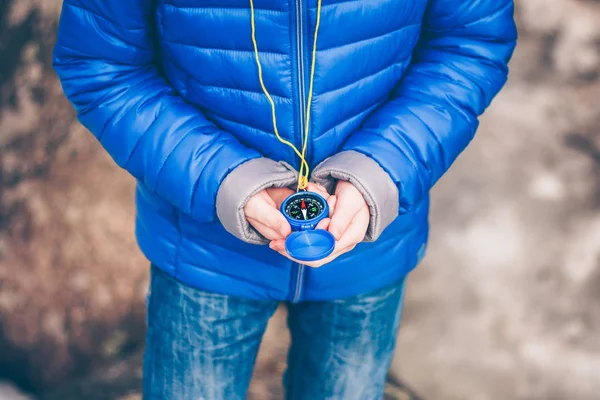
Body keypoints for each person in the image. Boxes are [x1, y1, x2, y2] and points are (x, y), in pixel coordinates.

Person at [53, 0, 517, 398]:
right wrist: (223, 178)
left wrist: (385, 169)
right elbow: (101, 66)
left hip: (367, 250)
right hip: (204, 250)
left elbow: (470, 44)